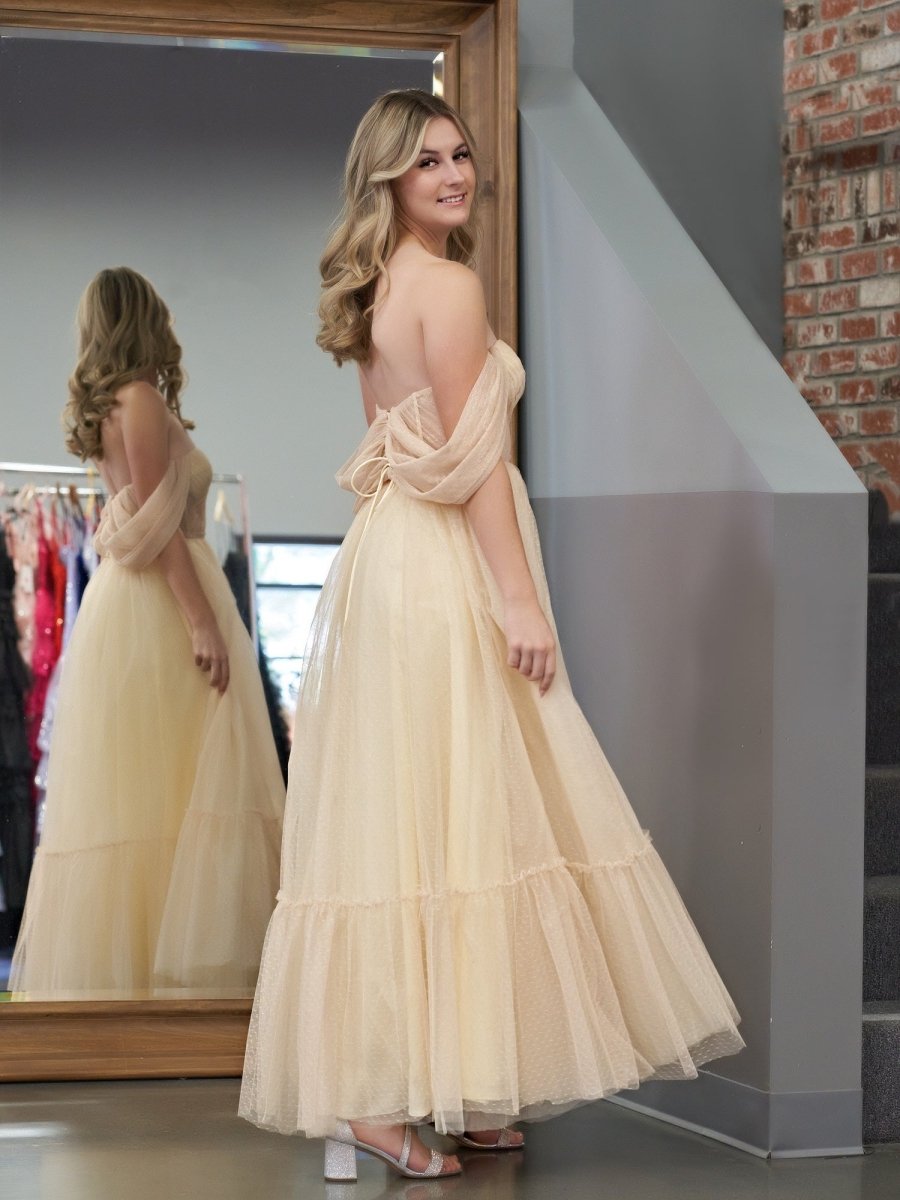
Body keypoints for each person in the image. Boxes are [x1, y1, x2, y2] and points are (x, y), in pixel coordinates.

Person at [239, 90, 743, 1181]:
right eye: (428, 161)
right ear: (389, 178)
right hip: (444, 566)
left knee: (418, 821)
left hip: (385, 560)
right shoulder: (453, 287)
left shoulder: (375, 290)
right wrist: (519, 597)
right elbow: (473, 465)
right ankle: (379, 1099)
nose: (455, 174)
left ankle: (431, 1089)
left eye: (461, 154)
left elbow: (400, 446)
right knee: (469, 815)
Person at [10, 267, 285, 994]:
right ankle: (169, 988)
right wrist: (201, 620)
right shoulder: (138, 398)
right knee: (176, 784)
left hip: (137, 601)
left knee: (161, 787)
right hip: (162, 605)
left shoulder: (122, 402)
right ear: (144, 317)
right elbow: (158, 521)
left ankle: (153, 980)